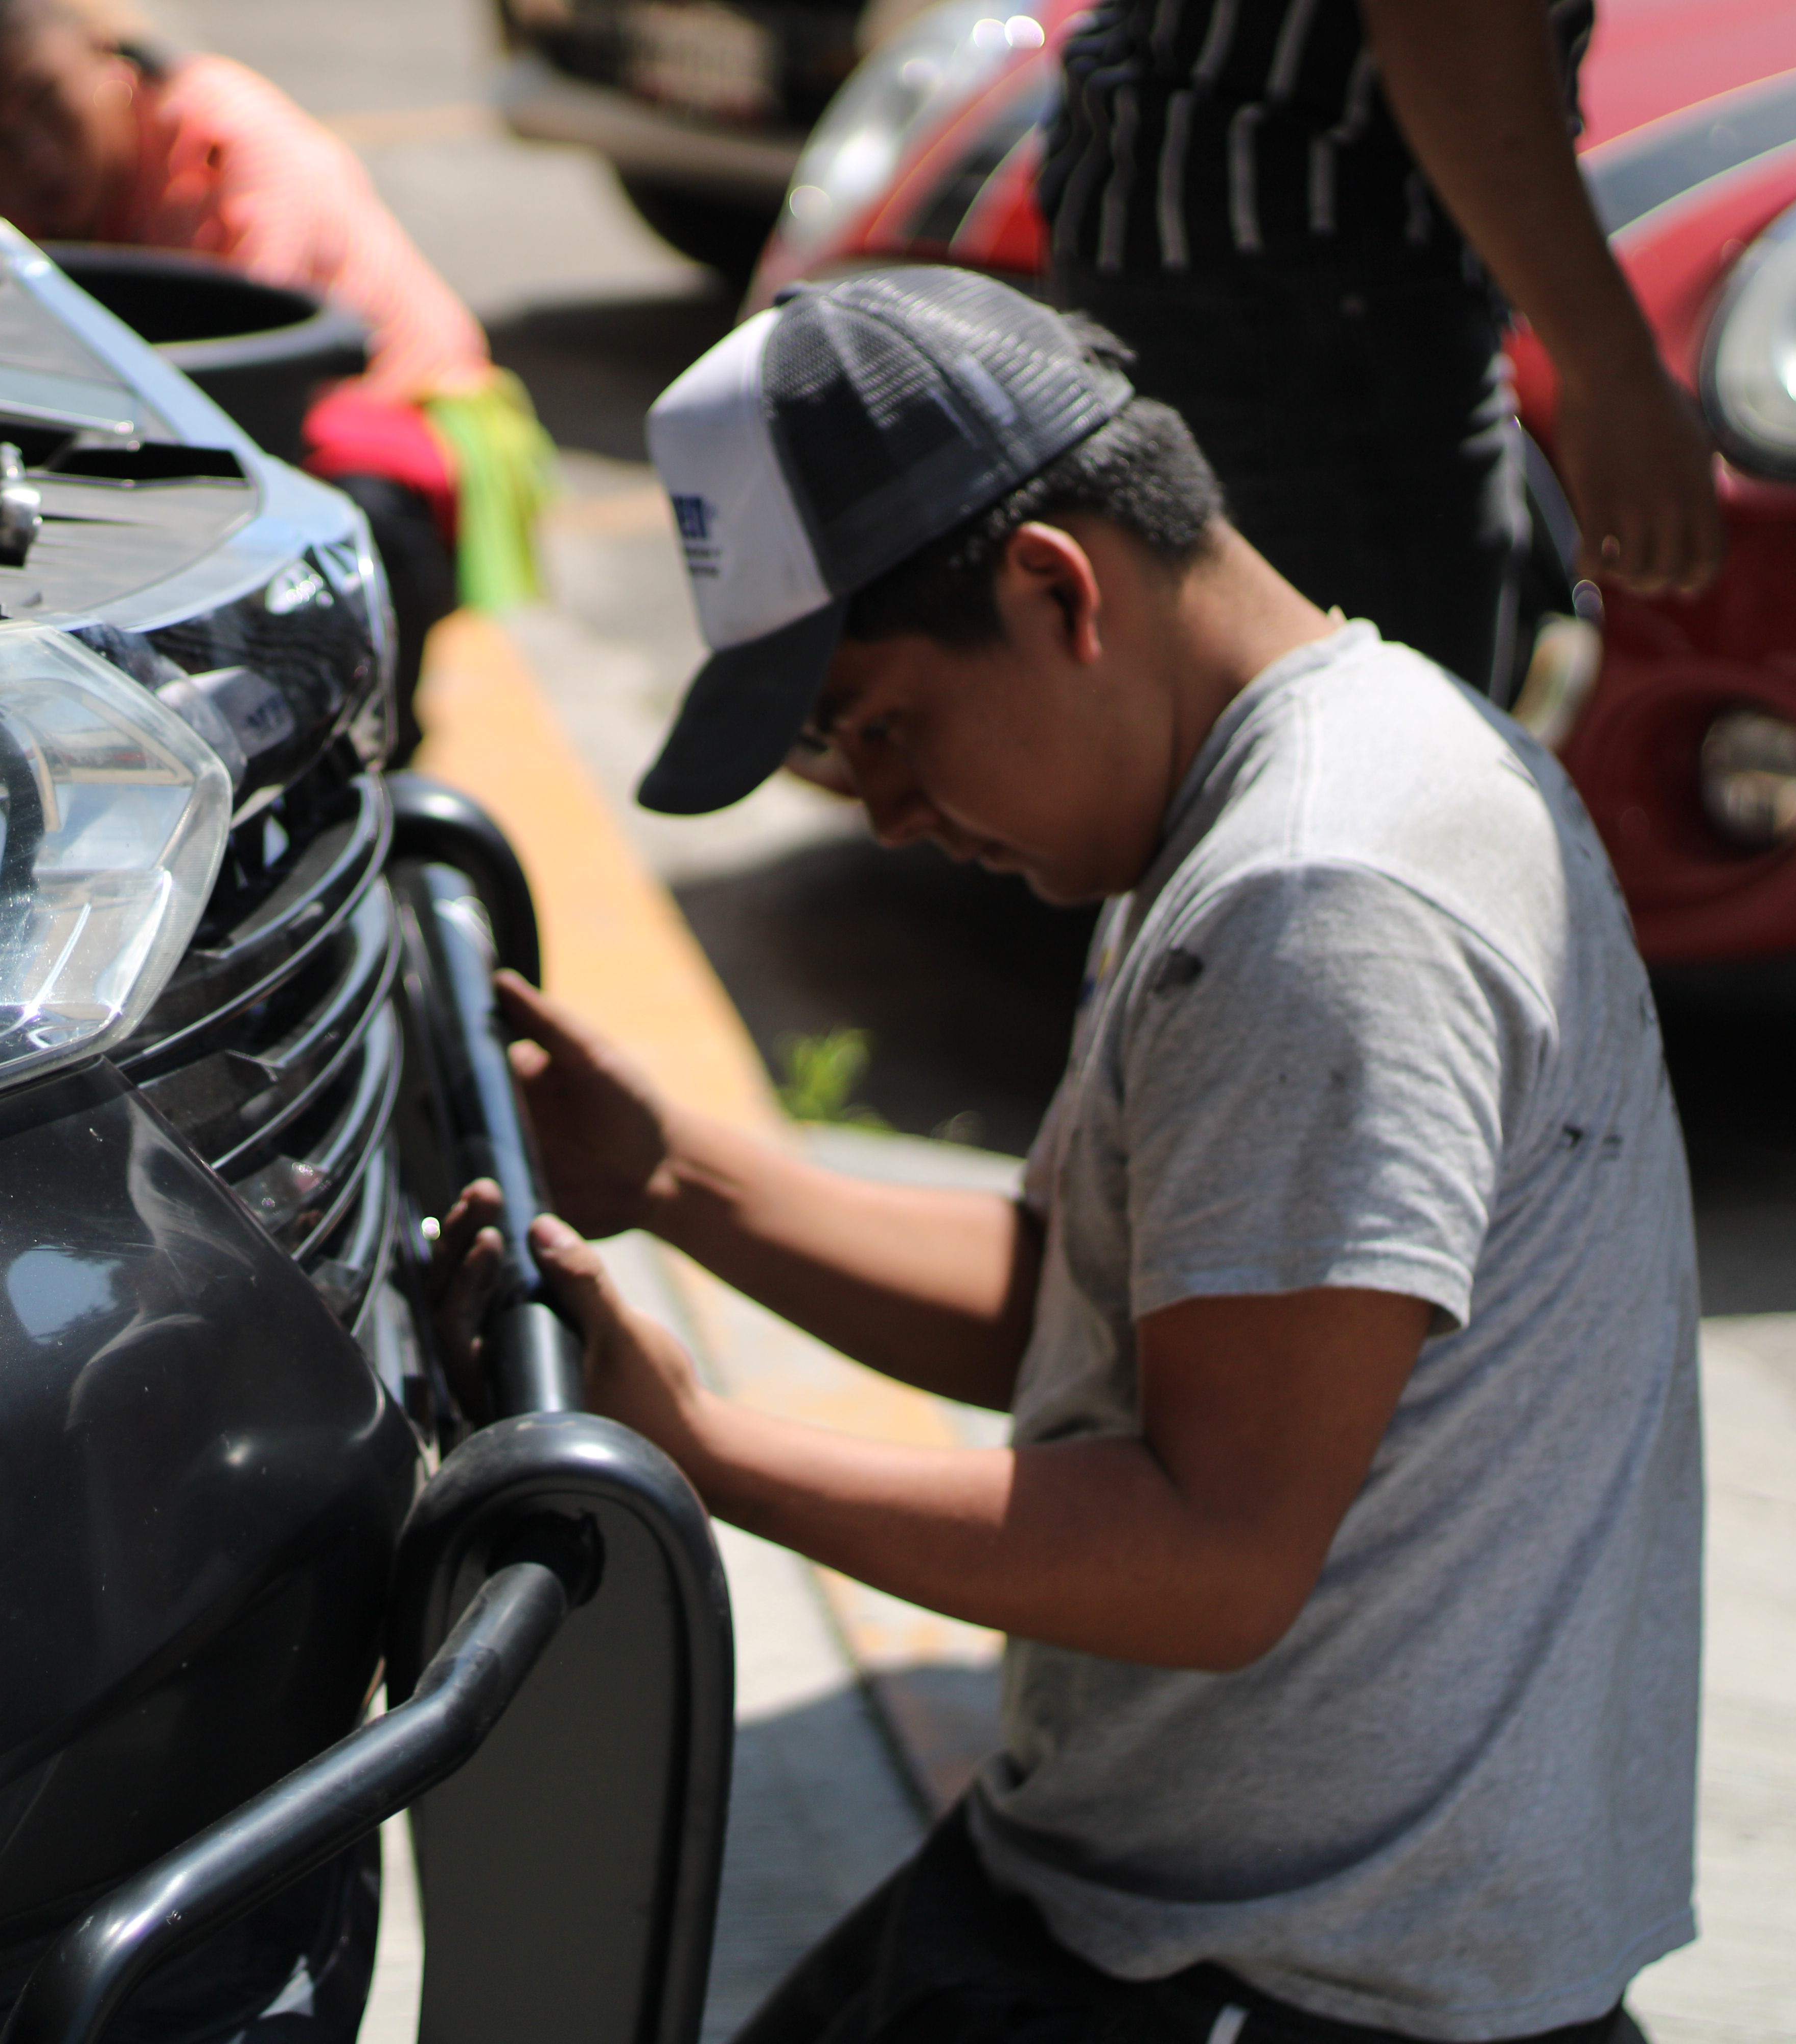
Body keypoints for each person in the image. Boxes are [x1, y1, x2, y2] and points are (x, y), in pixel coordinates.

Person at [436, 268, 1698, 2042]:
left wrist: (705, 1451)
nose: (880, 812)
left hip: (1308, 1981)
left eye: (877, 726)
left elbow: (1213, 1550)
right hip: (1152, 1892)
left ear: (1054, 592)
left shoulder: (1317, 895)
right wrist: (674, 1178)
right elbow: (1084, 1302)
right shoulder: (1269, 782)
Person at [0, 0, 556, 759]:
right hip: (215, 426)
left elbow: (241, 398)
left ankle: (366, 750)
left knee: (329, 561)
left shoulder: (234, 150)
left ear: (103, 47)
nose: (37, 161)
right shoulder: (19, 220)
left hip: (395, 421)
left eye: (46, 107)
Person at [1036, 0, 1724, 696]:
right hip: (1302, 270)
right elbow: (1449, 22)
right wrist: (1612, 371)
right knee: (1387, 745)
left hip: (1221, 231)